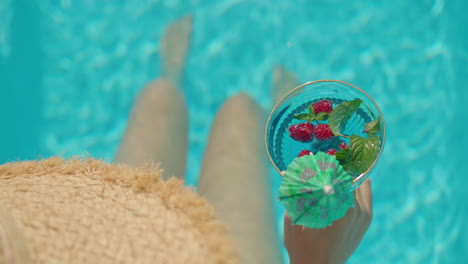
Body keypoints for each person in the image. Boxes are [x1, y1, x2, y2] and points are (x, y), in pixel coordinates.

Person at [115, 15, 373, 264]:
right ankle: (277, 116)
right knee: (240, 110)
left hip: (112, 249)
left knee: (158, 96)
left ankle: (171, 73)